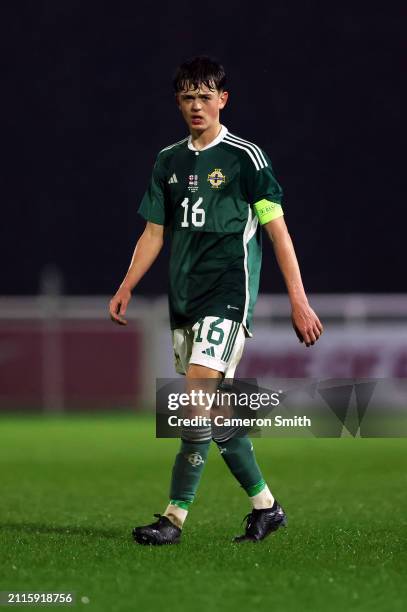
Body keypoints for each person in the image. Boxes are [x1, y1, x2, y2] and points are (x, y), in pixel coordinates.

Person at [109, 56, 323, 545]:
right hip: (183, 300)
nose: (196, 105)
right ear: (178, 102)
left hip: (227, 294)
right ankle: (266, 507)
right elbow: (153, 231)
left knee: (194, 401)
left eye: (206, 96)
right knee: (214, 414)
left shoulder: (245, 158)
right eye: (188, 97)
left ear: (223, 100)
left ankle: (173, 517)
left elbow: (278, 231)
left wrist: (299, 300)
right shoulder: (169, 161)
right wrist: (125, 286)